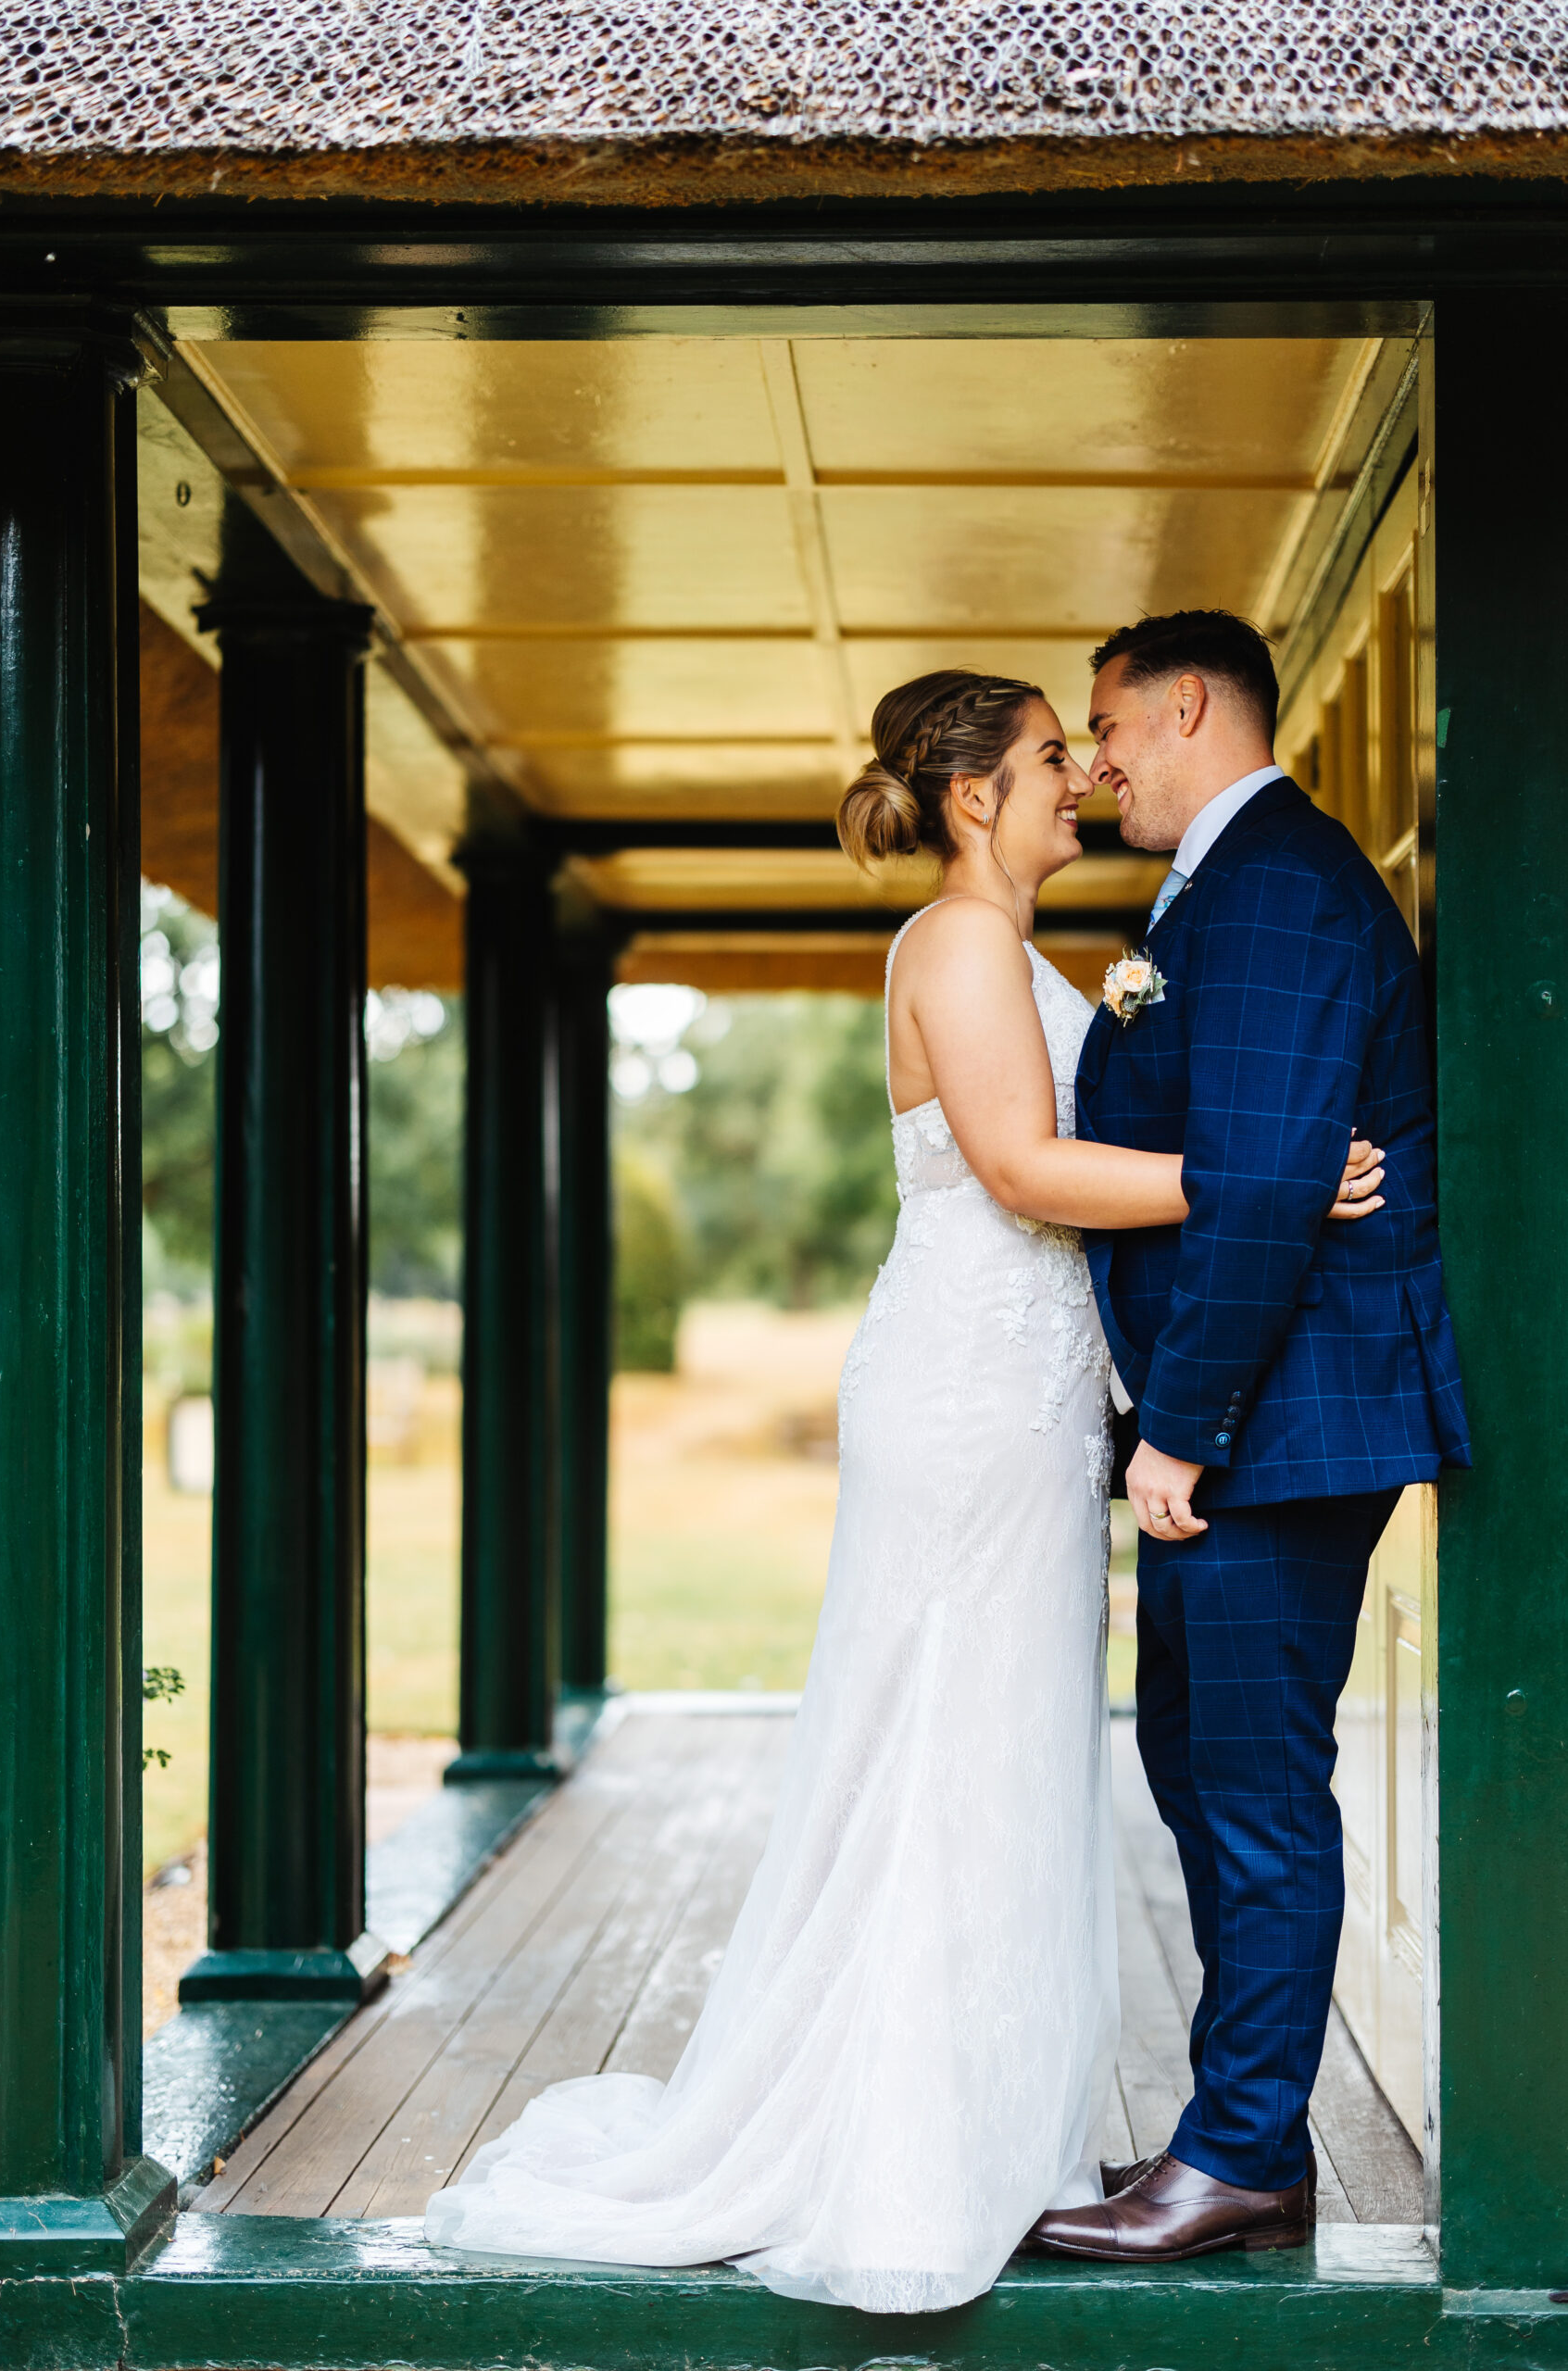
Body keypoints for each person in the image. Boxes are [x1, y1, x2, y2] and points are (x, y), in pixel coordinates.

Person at [422, 669, 1383, 2312]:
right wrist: (1272, 1179)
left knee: (997, 1748)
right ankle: (904, 2139)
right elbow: (1018, 1168)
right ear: (970, 798)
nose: (1074, 777)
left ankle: (987, 2121)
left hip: (1018, 1394)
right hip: (962, 1396)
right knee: (947, 1741)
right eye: (1043, 760)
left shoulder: (1007, 949)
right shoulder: (952, 943)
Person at [1028, 611, 1470, 2264]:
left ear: (1188, 703)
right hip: (1256, 1422)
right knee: (1197, 1763)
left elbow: (1271, 1181)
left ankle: (1242, 2155)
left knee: (1258, 1790)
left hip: (1277, 1426)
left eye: (1107, 725)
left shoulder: (1277, 878)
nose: (1096, 760)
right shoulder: (1217, 887)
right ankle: (1244, 2126)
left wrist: (1180, 1435)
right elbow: (1252, 1158)